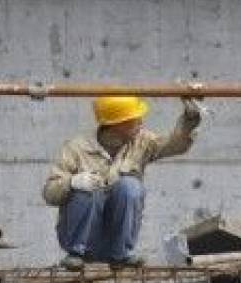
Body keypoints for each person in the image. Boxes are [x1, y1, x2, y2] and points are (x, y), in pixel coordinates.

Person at [42, 94, 203, 270]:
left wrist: (189, 120)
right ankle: (77, 253)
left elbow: (174, 145)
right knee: (89, 189)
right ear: (118, 124)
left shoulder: (141, 142)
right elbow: (49, 193)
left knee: (130, 186)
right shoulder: (76, 148)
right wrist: (72, 182)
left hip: (114, 240)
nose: (141, 123)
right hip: (83, 238)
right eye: (135, 119)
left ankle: (121, 255)